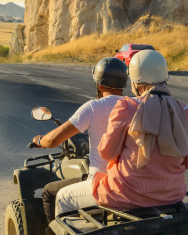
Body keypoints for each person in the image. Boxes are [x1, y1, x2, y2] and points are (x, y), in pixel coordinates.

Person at [92, 49, 188, 210]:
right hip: (171, 197)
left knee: (63, 197)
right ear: (164, 77)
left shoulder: (126, 108)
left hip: (123, 196)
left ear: (135, 81)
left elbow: (107, 153)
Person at [31, 57, 128, 222]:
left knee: (49, 192)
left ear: (99, 85)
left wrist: (40, 141)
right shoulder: (134, 105)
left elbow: (53, 140)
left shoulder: (93, 107)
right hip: (129, 182)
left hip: (102, 184)